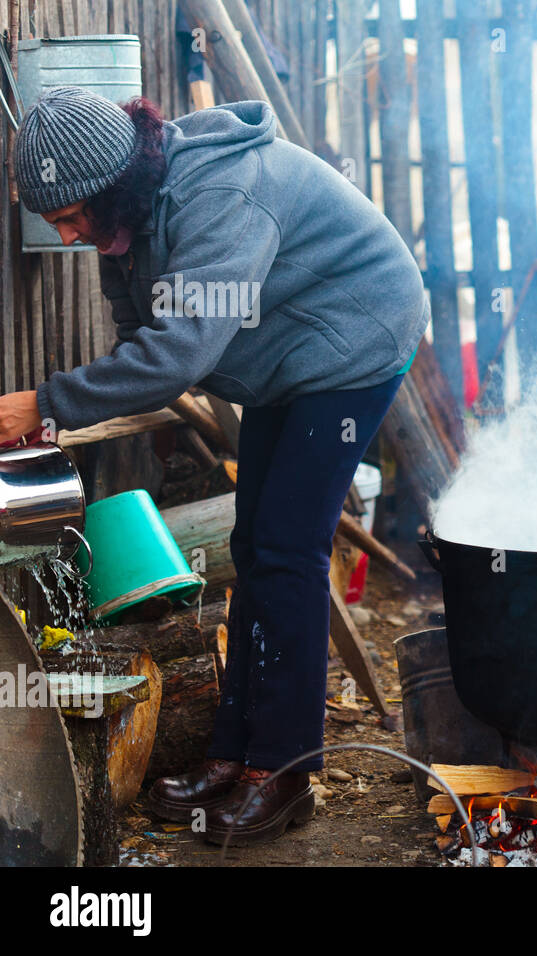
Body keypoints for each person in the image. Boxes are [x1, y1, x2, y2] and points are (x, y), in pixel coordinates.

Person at [0, 86, 429, 846]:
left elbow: (176, 355)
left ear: (112, 189)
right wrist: (64, 413)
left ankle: (285, 772)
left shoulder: (221, 195)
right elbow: (143, 333)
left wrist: (47, 402)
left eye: (70, 217)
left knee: (287, 551)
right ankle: (234, 753)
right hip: (286, 356)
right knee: (253, 545)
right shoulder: (126, 226)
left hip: (354, 337)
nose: (64, 236)